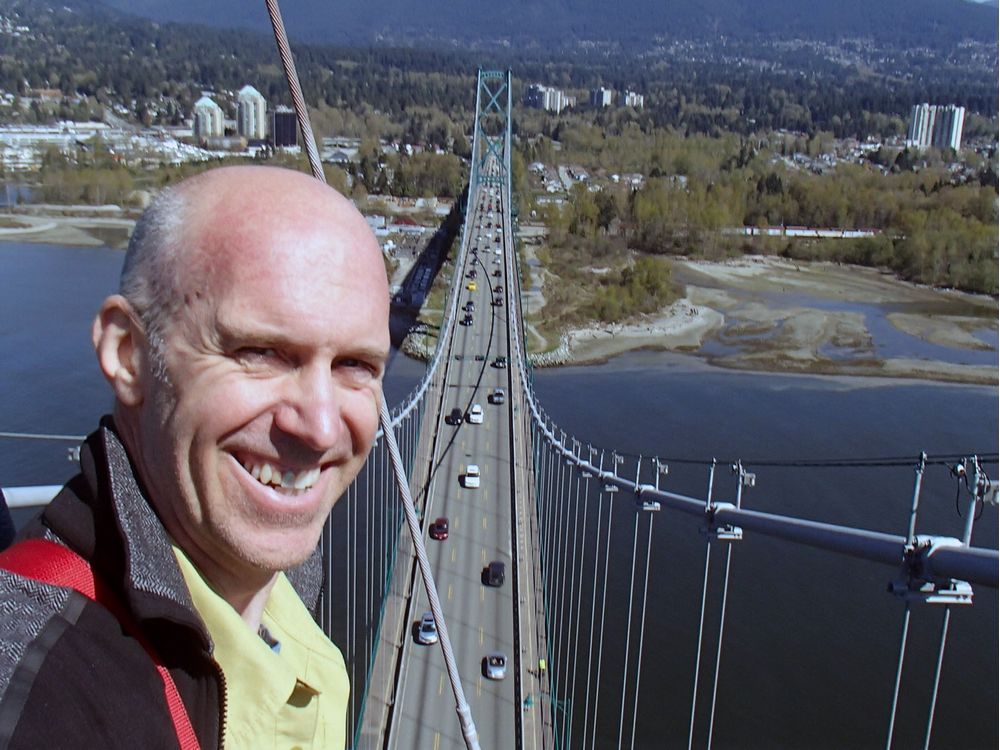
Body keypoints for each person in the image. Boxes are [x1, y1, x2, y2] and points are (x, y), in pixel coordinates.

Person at [0, 166, 391, 749]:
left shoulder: (280, 578)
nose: (321, 427)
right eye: (261, 352)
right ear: (129, 353)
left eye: (355, 366)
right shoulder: (39, 699)